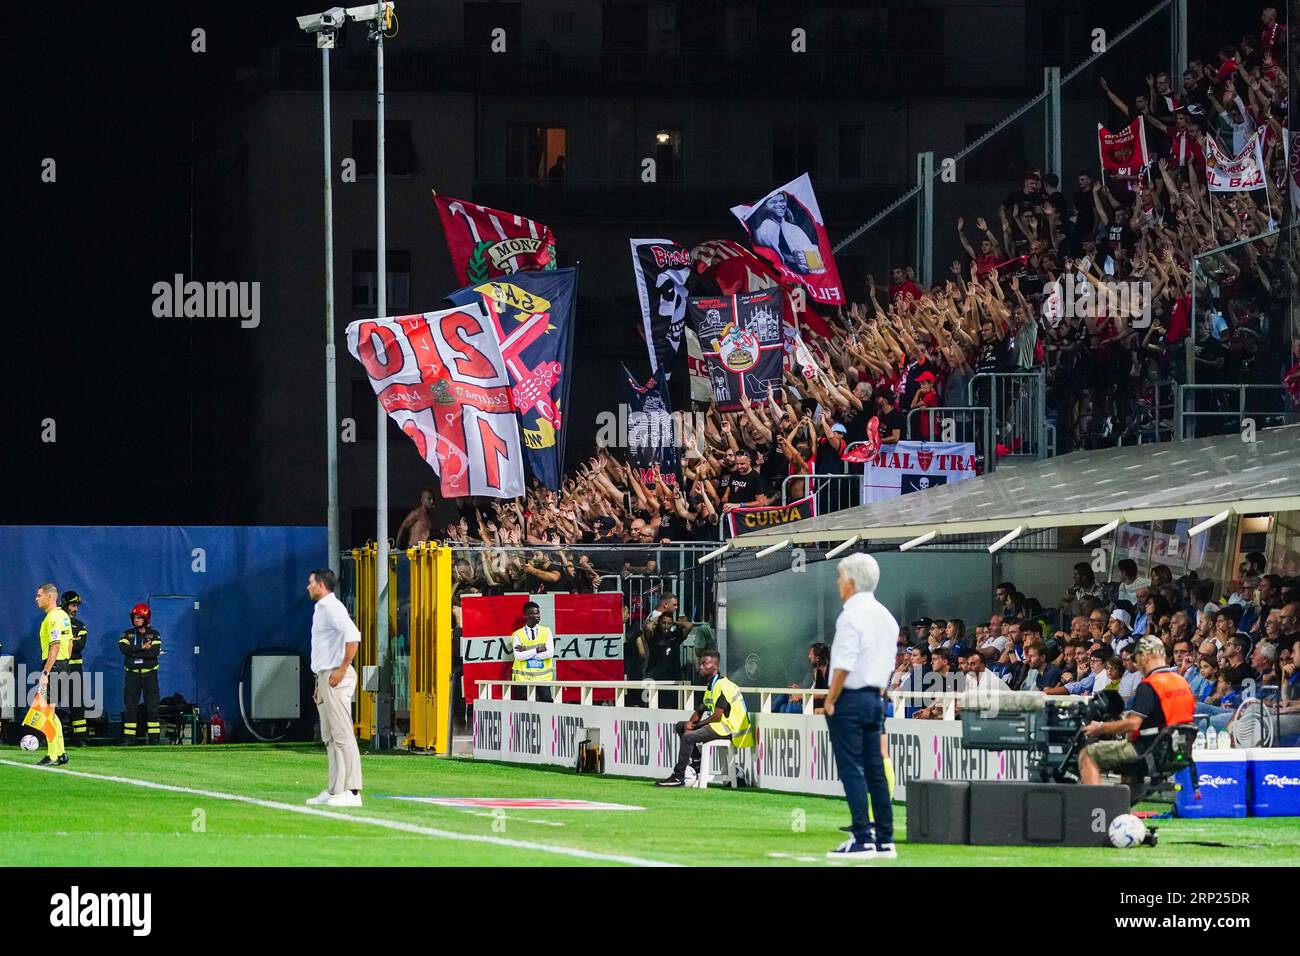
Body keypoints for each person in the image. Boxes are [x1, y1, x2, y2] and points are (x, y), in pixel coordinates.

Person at [823, 553, 897, 860]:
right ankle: (885, 839)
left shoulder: (851, 616)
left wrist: (830, 698)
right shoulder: (887, 617)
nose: (839, 584)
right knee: (875, 769)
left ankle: (861, 836)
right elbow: (889, 663)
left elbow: (843, 664)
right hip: (875, 697)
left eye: (841, 578)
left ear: (851, 582)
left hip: (850, 698)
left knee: (851, 768)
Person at [1079, 636, 1195, 786]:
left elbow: (1134, 724)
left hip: (1149, 750)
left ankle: (1093, 803)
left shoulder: (1149, 685)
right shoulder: (1181, 682)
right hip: (1177, 751)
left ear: (1145, 657)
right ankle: (1126, 802)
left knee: (1088, 753)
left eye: (1137, 658)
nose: (1136, 663)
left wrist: (1100, 727)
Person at [306, 568, 363, 807]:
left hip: (336, 677)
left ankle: (352, 792)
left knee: (343, 734)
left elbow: (353, 635)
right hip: (325, 677)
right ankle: (335, 789)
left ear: (321, 585)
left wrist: (342, 669)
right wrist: (319, 682)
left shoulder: (332, 607)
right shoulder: (322, 609)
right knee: (330, 736)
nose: (307, 587)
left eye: (310, 583)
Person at [656, 649, 753, 787]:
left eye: (704, 664)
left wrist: (696, 726)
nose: (700, 667)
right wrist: (690, 723)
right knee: (680, 726)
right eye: (700, 663)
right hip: (721, 726)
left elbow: (717, 715)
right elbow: (701, 709)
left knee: (688, 737)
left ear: (715, 666)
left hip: (731, 729)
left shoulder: (724, 685)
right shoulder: (711, 686)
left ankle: (678, 776)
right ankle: (697, 764)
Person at [33, 583, 70, 766]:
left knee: (48, 711)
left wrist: (46, 672)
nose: (36, 598)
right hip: (62, 664)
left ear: (50, 597)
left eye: (39, 595)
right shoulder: (64, 616)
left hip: (53, 666)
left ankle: (52, 755)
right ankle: (61, 753)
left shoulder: (53, 618)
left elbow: (55, 645)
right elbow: (69, 645)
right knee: (51, 711)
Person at [119, 602, 162, 745]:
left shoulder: (155, 635)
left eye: (139, 617)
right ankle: (129, 739)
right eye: (135, 617)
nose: (136, 620)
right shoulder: (127, 633)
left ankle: (154, 739)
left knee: (152, 706)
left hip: (150, 675)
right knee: (130, 706)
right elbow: (124, 649)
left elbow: (153, 653)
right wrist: (142, 647)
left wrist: (134, 651)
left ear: (146, 618)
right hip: (132, 675)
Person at [59, 590, 89, 746]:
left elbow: (80, 645)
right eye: (73, 605)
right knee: (51, 702)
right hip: (58, 667)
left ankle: (81, 739)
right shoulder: (55, 619)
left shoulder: (80, 625)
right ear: (65, 604)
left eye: (77, 605)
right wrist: (71, 640)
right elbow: (54, 643)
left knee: (77, 703)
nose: (75, 609)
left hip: (75, 669)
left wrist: (67, 641)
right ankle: (48, 736)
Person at [510, 601, 555, 703]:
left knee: (546, 706)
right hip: (523, 679)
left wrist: (526, 651)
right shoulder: (517, 634)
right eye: (534, 613)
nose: (537, 616)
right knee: (525, 710)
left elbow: (549, 653)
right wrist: (537, 649)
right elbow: (518, 656)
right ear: (526, 616)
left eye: (538, 613)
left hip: (542, 679)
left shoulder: (546, 631)